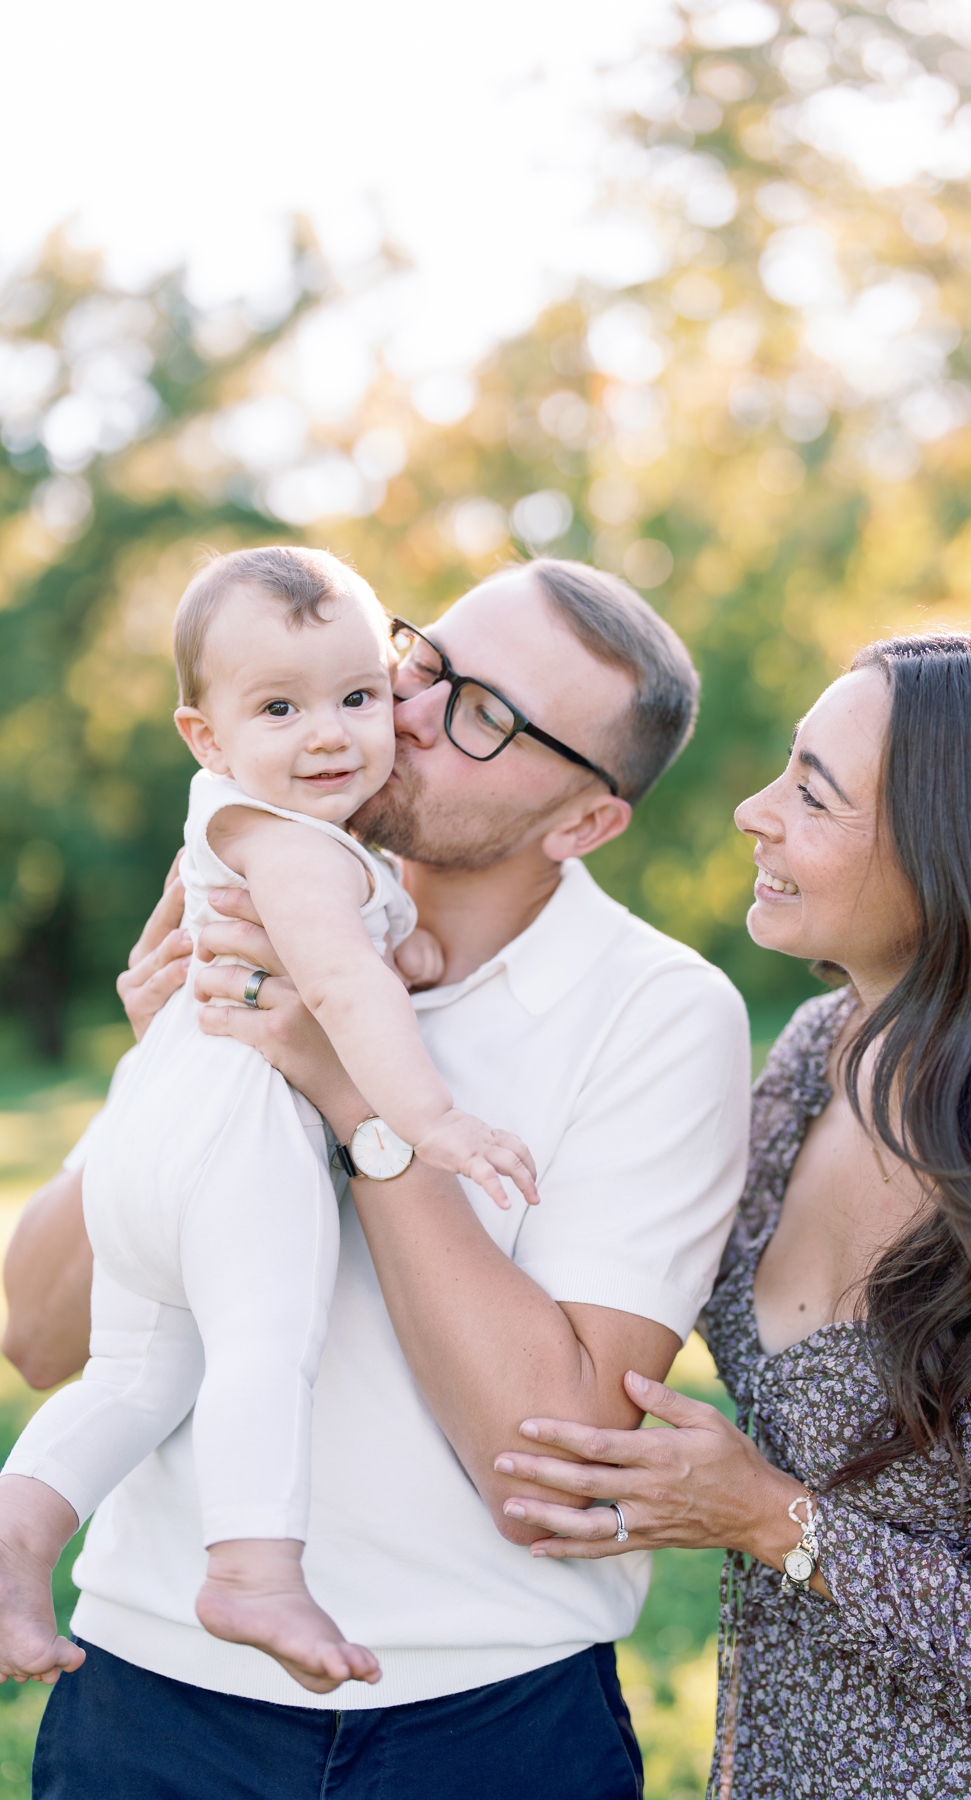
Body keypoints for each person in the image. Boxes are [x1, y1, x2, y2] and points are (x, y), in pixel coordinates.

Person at [3, 558, 751, 1800]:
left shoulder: (662, 1012)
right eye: (424, 659)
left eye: (483, 713)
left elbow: (541, 1463)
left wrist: (350, 1094)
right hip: (149, 1694)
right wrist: (174, 1073)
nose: (404, 710)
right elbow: (37, 1336)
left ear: (583, 821)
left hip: (482, 1722)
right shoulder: (256, 892)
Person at [492, 633, 971, 1799]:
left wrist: (773, 1519)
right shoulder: (829, 1052)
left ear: (963, 857)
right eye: (787, 766)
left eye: (813, 794)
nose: (752, 812)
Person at [0, 546, 541, 1695]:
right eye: (281, 708)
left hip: (146, 1135)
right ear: (206, 737)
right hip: (237, 1139)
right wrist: (430, 1119)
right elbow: (344, 987)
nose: (332, 734)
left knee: (133, 1380)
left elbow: (375, 935)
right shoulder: (292, 843)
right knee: (261, 1340)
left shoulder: (264, 827)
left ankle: (13, 1541)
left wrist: (406, 932)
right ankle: (252, 1570)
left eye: (357, 698)